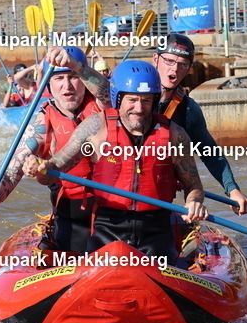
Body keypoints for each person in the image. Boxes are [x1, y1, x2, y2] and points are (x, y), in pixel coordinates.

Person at [25, 61, 206, 263]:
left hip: (156, 230)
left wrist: (194, 202)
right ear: (118, 98)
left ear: (155, 101)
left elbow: (194, 186)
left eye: (146, 100)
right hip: (108, 229)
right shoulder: (95, 127)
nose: (139, 108)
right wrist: (42, 167)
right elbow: (58, 164)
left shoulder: (175, 134)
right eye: (132, 100)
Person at [0, 46, 110, 254]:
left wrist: (77, 65)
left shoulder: (103, 107)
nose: (67, 86)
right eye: (58, 79)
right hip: (72, 213)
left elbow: (106, 90)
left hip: (115, 210)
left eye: (73, 77)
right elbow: (10, 174)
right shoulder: (41, 123)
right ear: (47, 84)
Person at [151, 33, 247, 215]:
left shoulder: (189, 110)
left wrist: (232, 190)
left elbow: (211, 154)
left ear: (189, 68)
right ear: (155, 59)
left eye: (183, 64)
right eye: (169, 61)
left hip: (159, 192)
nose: (174, 70)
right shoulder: (128, 96)